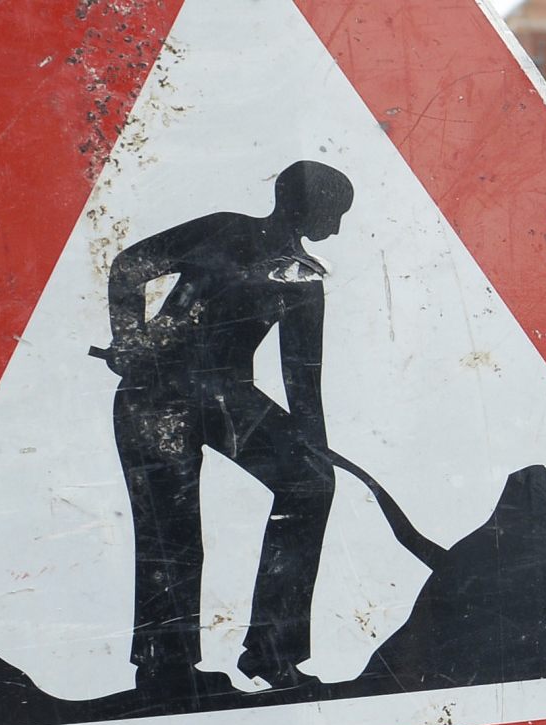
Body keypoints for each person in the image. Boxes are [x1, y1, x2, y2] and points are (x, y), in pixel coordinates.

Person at [99, 160, 355, 698]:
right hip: (156, 390)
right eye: (335, 211)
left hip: (225, 395)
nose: (337, 225)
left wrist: (317, 450)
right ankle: (165, 667)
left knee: (311, 483)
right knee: (172, 530)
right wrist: (130, 337)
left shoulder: (305, 277)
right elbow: (127, 266)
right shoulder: (226, 229)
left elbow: (302, 378)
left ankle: (273, 650)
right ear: (310, 207)